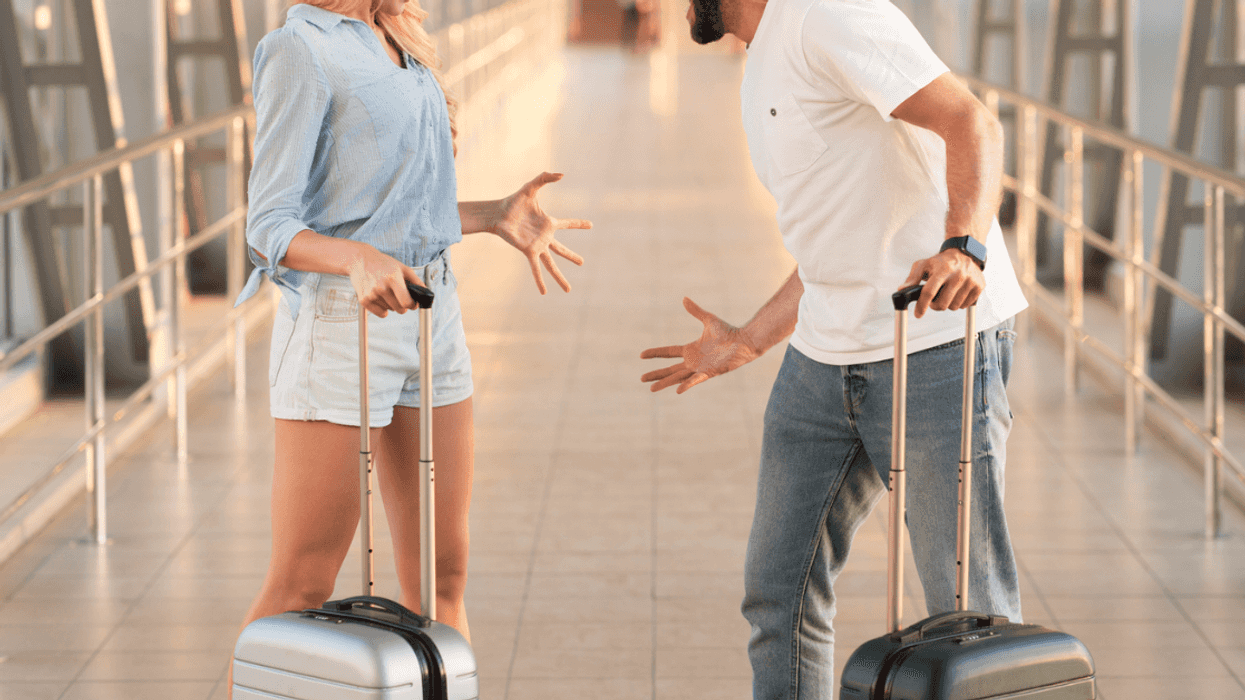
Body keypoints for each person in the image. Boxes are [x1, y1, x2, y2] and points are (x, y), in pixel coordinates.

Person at [640, 0, 1028, 697]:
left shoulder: (827, 13)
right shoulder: (761, 55)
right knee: (777, 595)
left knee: (968, 615)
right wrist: (751, 338)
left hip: (931, 342)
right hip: (822, 360)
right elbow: (838, 230)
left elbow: (969, 119)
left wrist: (962, 245)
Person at [230, 0, 589, 695]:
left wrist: (491, 216)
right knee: (303, 578)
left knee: (441, 577)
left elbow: (397, 211)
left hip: (432, 312)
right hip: (341, 320)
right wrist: (355, 258)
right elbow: (268, 225)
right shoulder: (299, 49)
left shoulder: (395, 37)